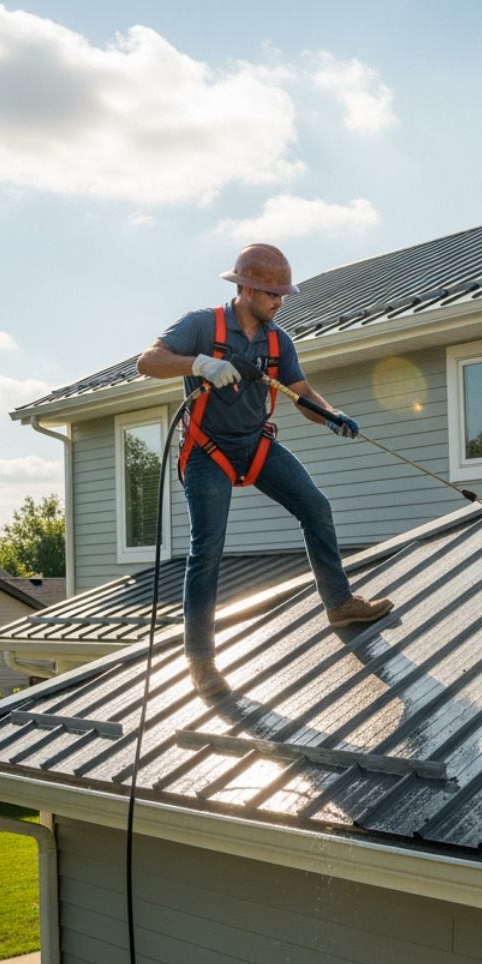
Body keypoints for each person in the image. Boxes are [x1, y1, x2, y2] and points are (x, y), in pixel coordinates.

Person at [136, 243, 392, 698]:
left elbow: (300, 392)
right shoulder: (202, 325)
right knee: (207, 550)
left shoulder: (278, 340)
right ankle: (200, 661)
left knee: (315, 506)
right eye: (273, 294)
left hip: (255, 445)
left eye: (282, 295)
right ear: (248, 289)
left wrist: (331, 414)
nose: (280, 302)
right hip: (206, 450)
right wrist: (200, 363)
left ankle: (339, 604)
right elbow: (148, 362)